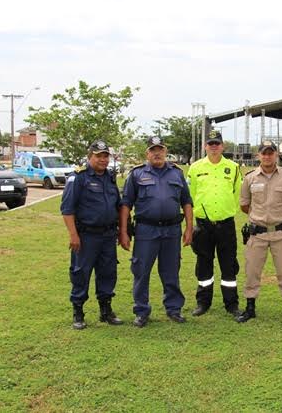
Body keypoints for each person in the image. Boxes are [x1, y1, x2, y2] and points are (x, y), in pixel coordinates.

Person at [118, 136, 193, 328]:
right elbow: (126, 205)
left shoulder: (177, 173)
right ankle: (141, 311)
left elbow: (187, 202)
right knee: (141, 271)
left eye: (160, 150)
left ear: (166, 152)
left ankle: (173, 308)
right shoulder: (136, 174)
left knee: (171, 270)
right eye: (153, 150)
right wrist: (124, 232)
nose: (157, 153)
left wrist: (189, 229)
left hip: (172, 230)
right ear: (147, 153)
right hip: (145, 230)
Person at [60, 139, 123, 330]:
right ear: (90, 157)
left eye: (105, 156)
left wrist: (121, 231)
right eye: (98, 156)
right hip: (86, 236)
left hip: (108, 236)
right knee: (81, 273)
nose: (103, 160)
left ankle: (106, 311)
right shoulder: (78, 178)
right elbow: (67, 209)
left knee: (107, 273)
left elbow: (117, 206)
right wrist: (73, 235)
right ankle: (78, 312)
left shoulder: (110, 177)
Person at [235, 141, 282, 323]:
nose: (267, 156)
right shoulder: (250, 178)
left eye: (271, 153)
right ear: (258, 156)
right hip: (257, 234)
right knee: (252, 271)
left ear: (276, 155)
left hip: (280, 234)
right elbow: (244, 205)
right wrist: (260, 216)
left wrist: (277, 215)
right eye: (264, 153)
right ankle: (250, 308)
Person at [187, 130, 243, 318]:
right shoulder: (195, 168)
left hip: (226, 224)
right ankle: (203, 302)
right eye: (210, 143)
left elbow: (237, 194)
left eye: (217, 143)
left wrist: (226, 212)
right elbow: (191, 195)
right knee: (204, 264)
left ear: (222, 146)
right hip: (203, 225)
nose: (213, 146)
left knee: (228, 264)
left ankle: (231, 304)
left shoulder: (233, 168)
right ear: (205, 146)